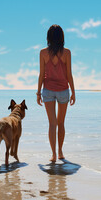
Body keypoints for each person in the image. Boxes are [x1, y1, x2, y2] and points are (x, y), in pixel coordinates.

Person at [37, 24, 76, 162]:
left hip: (47, 90)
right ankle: (60, 152)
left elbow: (41, 74)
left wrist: (38, 92)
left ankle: (53, 154)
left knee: (52, 124)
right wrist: (73, 92)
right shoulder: (67, 53)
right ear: (62, 37)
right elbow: (69, 74)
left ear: (48, 37)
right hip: (63, 91)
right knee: (61, 123)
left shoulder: (43, 53)